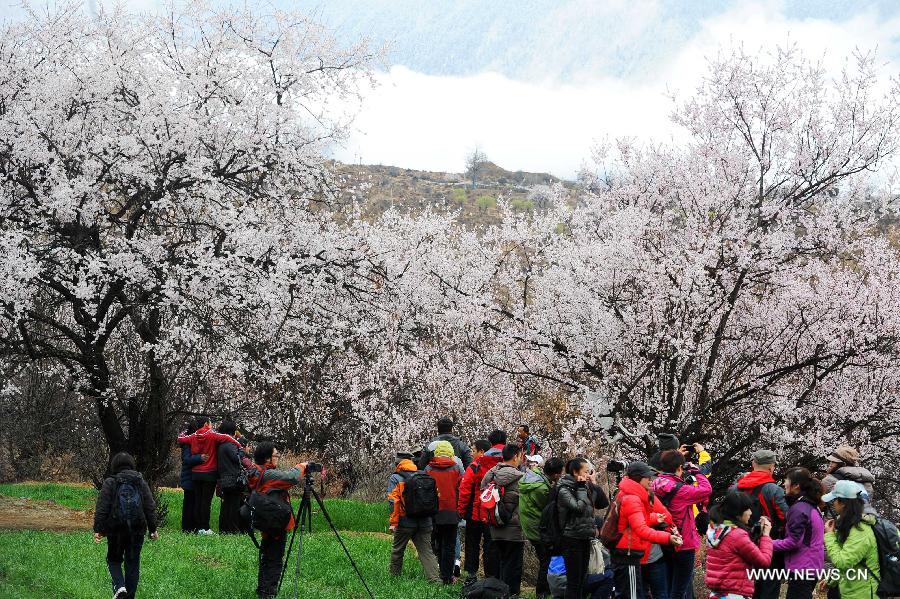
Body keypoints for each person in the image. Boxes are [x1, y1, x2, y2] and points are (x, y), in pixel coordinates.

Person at [92, 452, 159, 599]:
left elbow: (102, 507)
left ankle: (119, 586)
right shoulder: (140, 481)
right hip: (137, 529)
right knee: (132, 563)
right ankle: (129, 596)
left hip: (116, 530)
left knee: (113, 560)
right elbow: (149, 506)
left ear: (114, 465)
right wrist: (153, 529)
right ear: (131, 465)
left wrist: (99, 529)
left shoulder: (110, 482)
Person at [611, 461, 680, 599]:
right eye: (647, 477)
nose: (651, 480)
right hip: (629, 554)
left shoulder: (629, 493)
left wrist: (654, 518)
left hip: (631, 552)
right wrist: (667, 538)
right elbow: (641, 529)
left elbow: (632, 521)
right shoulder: (632, 498)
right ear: (638, 478)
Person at [246, 442, 306, 599]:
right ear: (267, 459)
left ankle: (263, 590)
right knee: (274, 559)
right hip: (274, 523)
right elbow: (291, 477)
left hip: (265, 519)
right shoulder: (268, 475)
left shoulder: (255, 472)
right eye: (276, 455)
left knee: (267, 556)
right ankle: (268, 593)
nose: (278, 458)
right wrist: (302, 466)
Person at [651, 448, 712, 599]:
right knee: (679, 591)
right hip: (683, 542)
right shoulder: (680, 490)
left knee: (668, 586)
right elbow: (706, 489)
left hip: (663, 540)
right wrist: (696, 471)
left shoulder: (654, 484)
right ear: (679, 468)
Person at [732, 449, 789, 599]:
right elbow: (786, 517)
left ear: (753, 464)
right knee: (768, 588)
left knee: (742, 588)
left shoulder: (735, 488)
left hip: (739, 544)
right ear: (771, 467)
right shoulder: (774, 490)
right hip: (768, 546)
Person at [177, 416, 241, 535]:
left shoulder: (193, 436)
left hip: (196, 474)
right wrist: (239, 444)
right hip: (209, 473)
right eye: (210, 423)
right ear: (206, 424)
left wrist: (183, 433)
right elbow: (227, 437)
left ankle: (198, 527)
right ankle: (205, 527)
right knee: (206, 502)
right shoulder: (212, 435)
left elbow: (181, 439)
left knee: (198, 501)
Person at [705, 490, 773, 599]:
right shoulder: (737, 535)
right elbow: (764, 561)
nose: (751, 512)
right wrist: (766, 535)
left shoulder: (716, 529)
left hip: (717, 594)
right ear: (737, 513)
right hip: (735, 593)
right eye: (747, 509)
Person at [481, 443, 527, 597]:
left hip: (495, 525)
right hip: (514, 530)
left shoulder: (491, 474)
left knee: (500, 562)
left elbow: (483, 494)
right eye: (520, 456)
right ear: (515, 456)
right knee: (513, 565)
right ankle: (510, 594)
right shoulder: (521, 477)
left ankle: (497, 593)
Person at [459, 432, 505, 581]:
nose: (472, 454)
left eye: (473, 450)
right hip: (494, 512)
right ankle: (491, 577)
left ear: (482, 451)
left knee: (472, 544)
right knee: (490, 546)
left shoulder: (475, 466)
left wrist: (461, 510)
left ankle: (471, 576)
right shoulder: (504, 465)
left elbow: (465, 490)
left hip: (475, 513)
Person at [822, 480, 880, 599]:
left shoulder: (860, 531)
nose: (834, 504)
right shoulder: (851, 526)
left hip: (862, 594)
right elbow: (852, 565)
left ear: (843, 503)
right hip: (852, 590)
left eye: (835, 500)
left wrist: (829, 535)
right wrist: (831, 581)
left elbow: (843, 562)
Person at [772, 468, 825, 599]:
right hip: (811, 566)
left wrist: (767, 542)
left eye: (786, 480)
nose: (784, 483)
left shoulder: (799, 508)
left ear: (796, 485)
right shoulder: (811, 505)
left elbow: (793, 542)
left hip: (802, 568)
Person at [387, 455, 440, 583]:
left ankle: (394, 578)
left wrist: (394, 522)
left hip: (405, 521)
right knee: (426, 551)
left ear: (397, 464)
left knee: (398, 550)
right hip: (425, 520)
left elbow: (393, 501)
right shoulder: (424, 475)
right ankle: (435, 580)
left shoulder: (396, 477)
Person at [520, 455, 565, 599]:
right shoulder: (541, 489)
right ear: (557, 474)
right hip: (536, 526)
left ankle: (544, 591)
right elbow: (548, 508)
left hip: (528, 522)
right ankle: (542, 592)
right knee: (546, 560)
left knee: (545, 559)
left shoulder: (533, 476)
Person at [557, 457, 601, 599]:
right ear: (576, 472)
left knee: (582, 579)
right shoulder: (564, 488)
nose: (588, 474)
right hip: (571, 538)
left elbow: (601, 503)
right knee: (574, 581)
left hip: (585, 537)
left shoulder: (585, 486)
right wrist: (582, 488)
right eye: (586, 471)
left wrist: (593, 484)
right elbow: (579, 508)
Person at [425, 440, 465, 584]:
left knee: (437, 543)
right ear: (451, 453)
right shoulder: (456, 468)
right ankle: (447, 577)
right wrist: (461, 510)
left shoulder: (428, 468)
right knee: (449, 545)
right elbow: (462, 489)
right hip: (451, 512)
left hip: (434, 512)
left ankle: (439, 572)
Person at [216, 420, 245, 534]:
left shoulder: (221, 444)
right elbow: (237, 458)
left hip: (224, 479)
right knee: (233, 505)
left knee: (226, 505)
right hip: (233, 479)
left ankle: (224, 529)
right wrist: (242, 449)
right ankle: (232, 529)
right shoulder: (229, 444)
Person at [178, 418, 207, 533]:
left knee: (192, 502)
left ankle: (191, 527)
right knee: (189, 503)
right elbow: (186, 459)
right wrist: (200, 458)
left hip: (191, 477)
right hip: (189, 477)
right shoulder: (188, 443)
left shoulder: (190, 442)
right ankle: (187, 528)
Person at [547, 554, 615, 599]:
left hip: (553, 583)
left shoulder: (560, 538)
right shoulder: (579, 539)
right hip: (565, 582)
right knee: (608, 575)